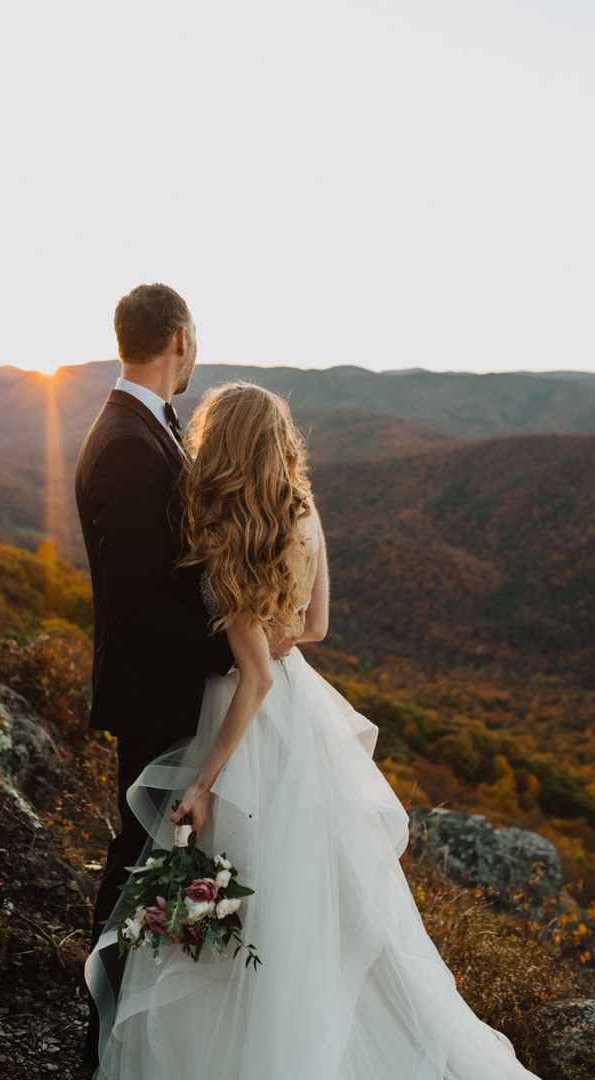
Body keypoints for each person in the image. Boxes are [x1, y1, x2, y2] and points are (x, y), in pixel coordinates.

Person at [84, 381, 542, 1080]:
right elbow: (317, 627)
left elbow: (256, 676)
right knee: (299, 900)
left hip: (244, 715)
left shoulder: (225, 529)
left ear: (220, 444)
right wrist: (279, 631)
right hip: (303, 713)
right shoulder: (303, 511)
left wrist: (206, 782)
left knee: (231, 891)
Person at [75, 287, 295, 1073]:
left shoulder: (147, 429)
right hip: (156, 693)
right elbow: (142, 608)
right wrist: (238, 651)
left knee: (171, 863)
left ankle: (176, 1027)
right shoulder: (130, 445)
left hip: (177, 690)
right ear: (178, 338)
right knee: (142, 864)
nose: (196, 349)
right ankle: (110, 1032)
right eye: (194, 337)